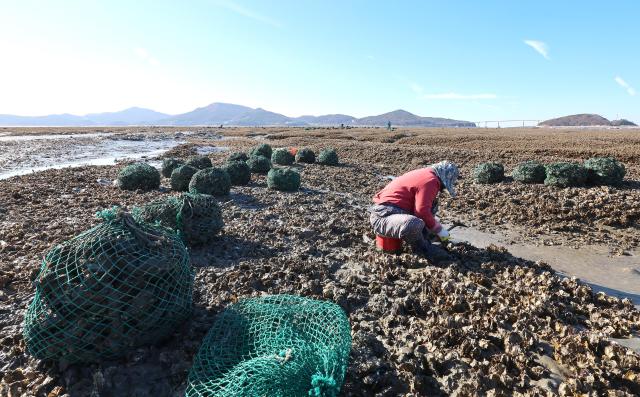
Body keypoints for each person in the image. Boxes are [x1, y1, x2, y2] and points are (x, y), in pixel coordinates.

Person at [369, 160, 460, 261]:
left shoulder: (425, 174)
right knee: (413, 224)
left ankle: (423, 236)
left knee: (432, 205)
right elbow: (422, 212)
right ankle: (424, 249)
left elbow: (422, 208)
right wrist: (440, 230)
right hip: (382, 216)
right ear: (444, 179)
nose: (441, 189)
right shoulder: (431, 181)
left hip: (393, 211)